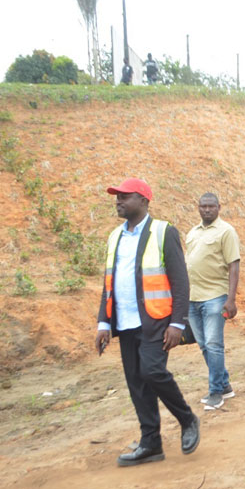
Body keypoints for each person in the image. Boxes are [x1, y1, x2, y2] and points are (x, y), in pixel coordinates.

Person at [95, 178, 200, 466]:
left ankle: (187, 419)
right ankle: (151, 442)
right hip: (125, 322)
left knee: (153, 372)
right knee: (137, 383)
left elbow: (180, 281)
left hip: (156, 321)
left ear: (143, 201)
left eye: (124, 197)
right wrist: (103, 323)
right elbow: (109, 282)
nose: (118, 201)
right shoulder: (115, 236)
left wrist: (178, 323)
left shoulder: (163, 232)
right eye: (117, 197)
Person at [185, 192, 240, 410]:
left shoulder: (226, 231)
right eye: (203, 206)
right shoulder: (193, 232)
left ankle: (216, 392)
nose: (207, 209)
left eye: (211, 206)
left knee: (214, 344)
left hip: (215, 297)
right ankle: (225, 384)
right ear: (198, 207)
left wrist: (231, 298)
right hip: (193, 297)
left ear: (219, 207)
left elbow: (233, 265)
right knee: (204, 345)